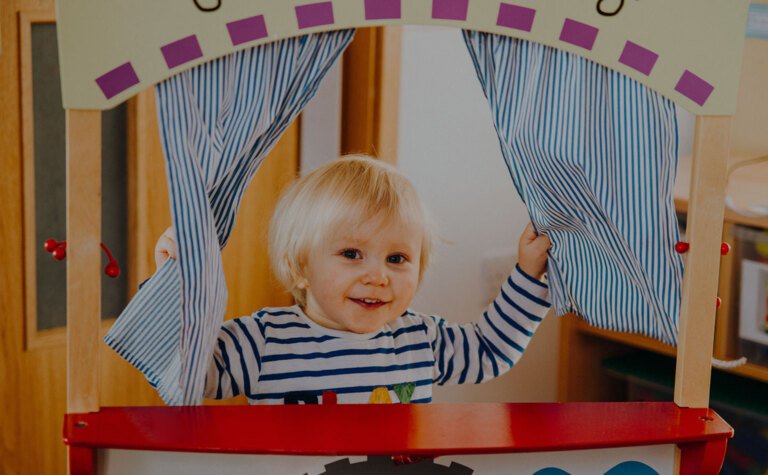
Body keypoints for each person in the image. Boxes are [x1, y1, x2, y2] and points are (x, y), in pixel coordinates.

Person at [154, 156, 552, 404]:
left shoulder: (418, 338)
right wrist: (174, 284)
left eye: (397, 258)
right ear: (299, 268)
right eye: (351, 254)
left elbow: (488, 350)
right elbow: (188, 374)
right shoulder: (262, 342)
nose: (378, 276)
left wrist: (528, 275)